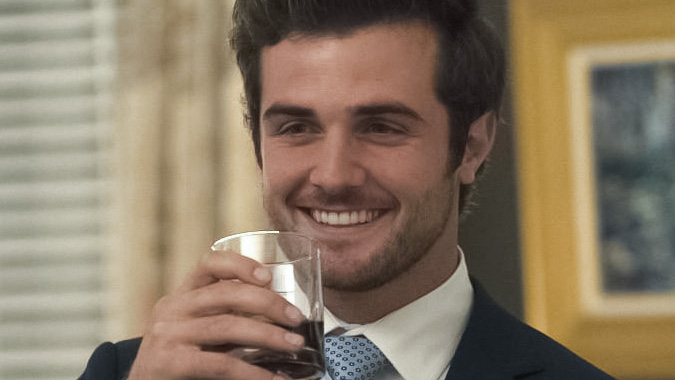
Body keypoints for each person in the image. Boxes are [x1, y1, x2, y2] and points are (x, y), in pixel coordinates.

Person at [79, 0, 616, 379]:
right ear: (257, 143)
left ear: (472, 146)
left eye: (381, 127)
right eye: (296, 127)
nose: (333, 176)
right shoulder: (129, 373)